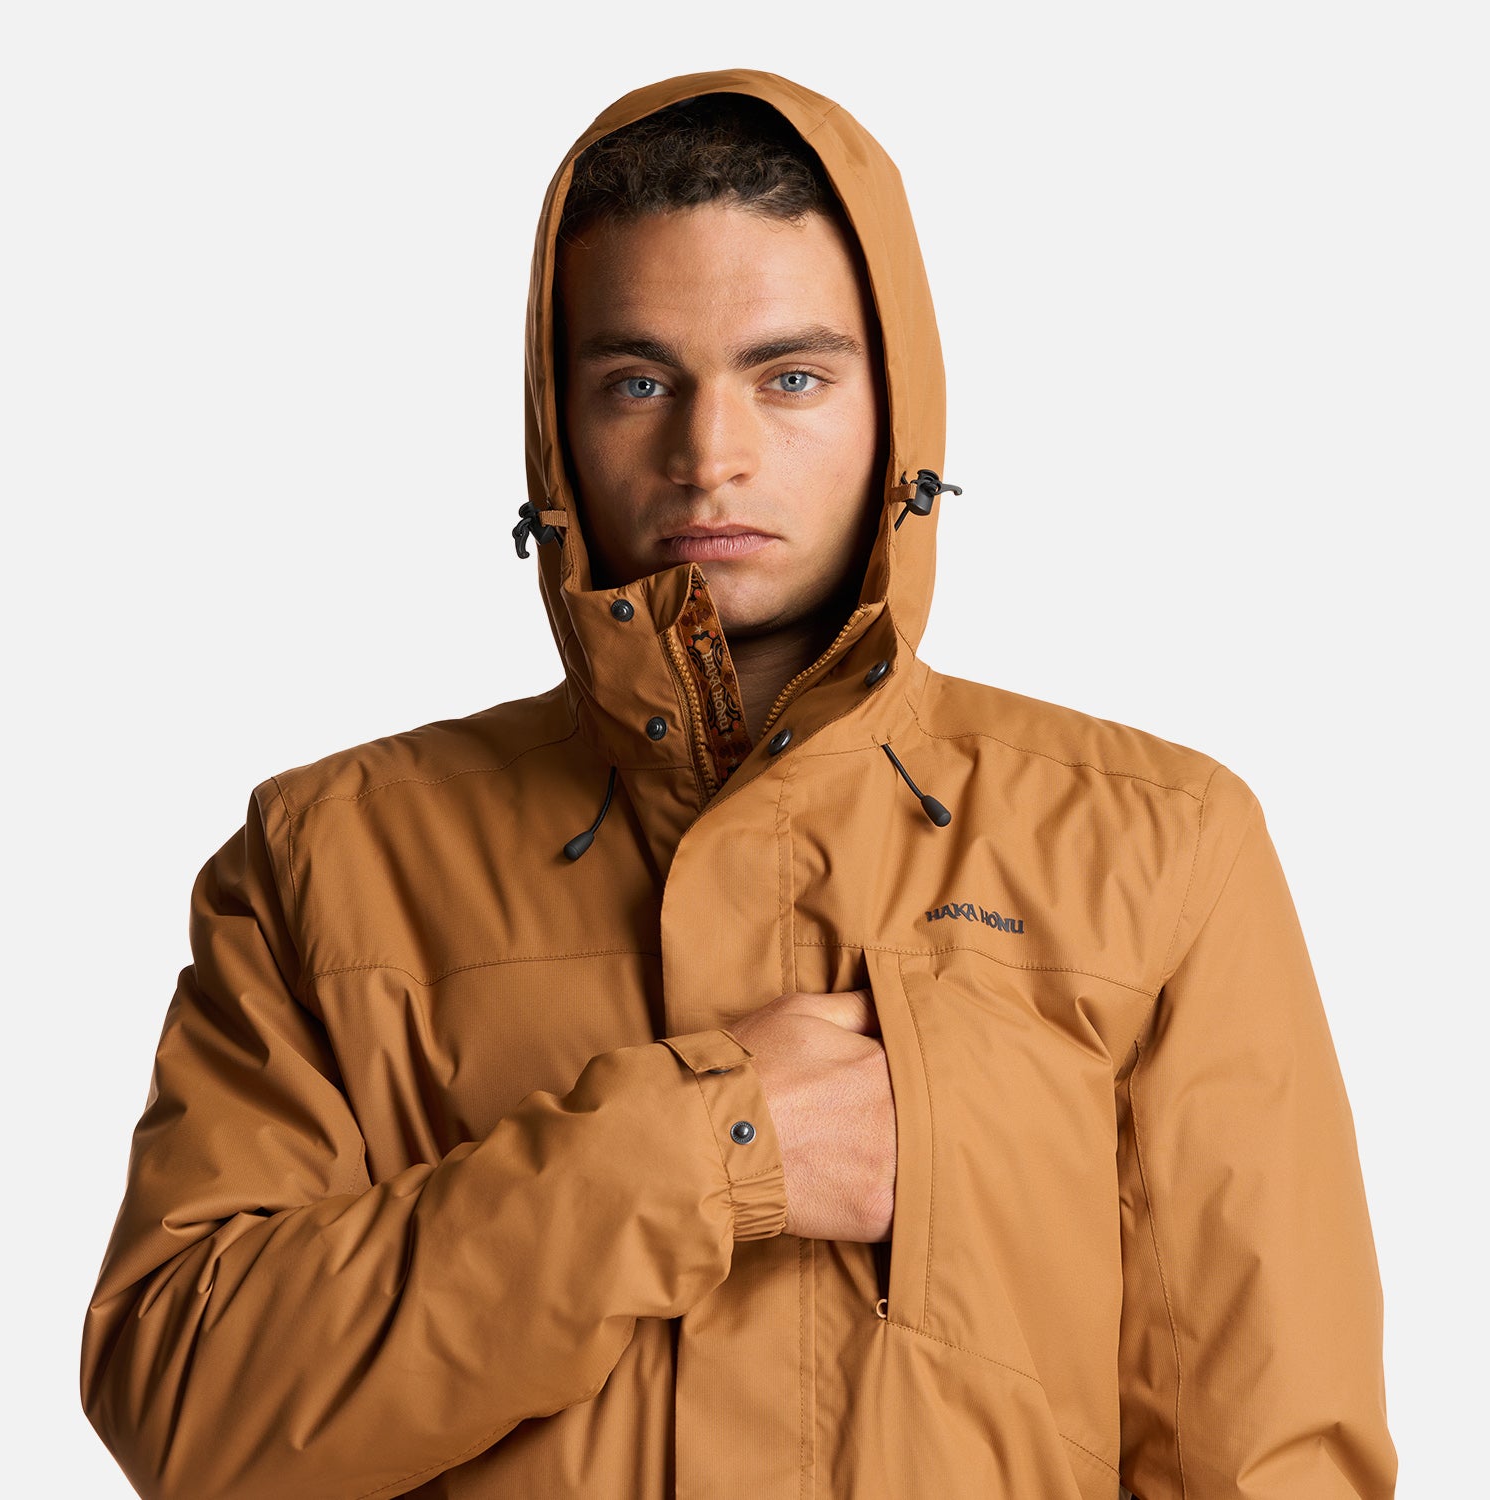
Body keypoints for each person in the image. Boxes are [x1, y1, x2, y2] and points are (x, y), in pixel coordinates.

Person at [80, 69, 1398, 1500]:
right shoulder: (330, 859)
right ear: (557, 425)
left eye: (792, 377)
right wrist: (708, 1148)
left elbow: (1274, 1458)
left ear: (898, 413)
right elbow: (191, 1409)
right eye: (639, 383)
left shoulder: (1155, 849)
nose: (710, 456)